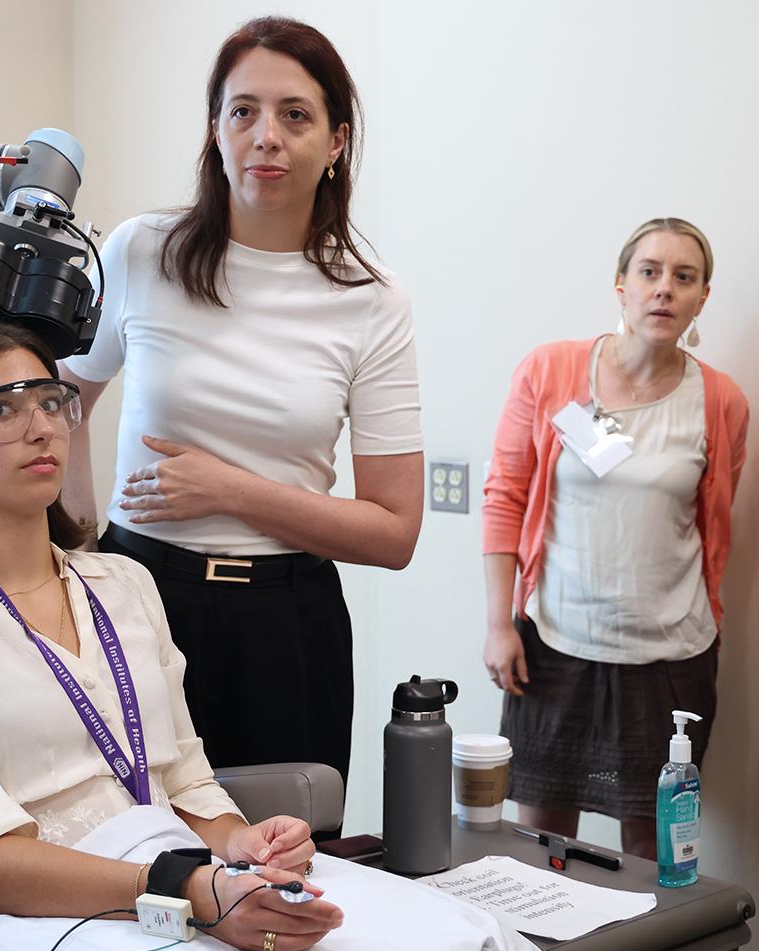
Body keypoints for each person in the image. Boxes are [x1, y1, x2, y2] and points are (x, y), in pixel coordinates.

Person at [0, 321, 343, 951]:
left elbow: (183, 780)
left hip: (177, 890)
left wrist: (240, 843)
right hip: (31, 933)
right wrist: (188, 889)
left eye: (51, 401)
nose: (41, 426)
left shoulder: (124, 583)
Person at [60, 17, 424, 794]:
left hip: (288, 627)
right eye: (244, 111)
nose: (267, 136)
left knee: (285, 868)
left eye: (296, 114)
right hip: (137, 601)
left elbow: (395, 531)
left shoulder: (373, 300)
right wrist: (80, 557)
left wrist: (231, 491)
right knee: (132, 854)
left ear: (335, 143)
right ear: (215, 131)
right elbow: (63, 404)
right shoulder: (140, 252)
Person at [482, 218, 749, 859]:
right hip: (554, 644)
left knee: (654, 855)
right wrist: (499, 625)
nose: (664, 290)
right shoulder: (551, 372)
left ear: (702, 297)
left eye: (684, 277)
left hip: (669, 658)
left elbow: (710, 525)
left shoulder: (721, 401)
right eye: (650, 272)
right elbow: (505, 498)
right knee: (541, 850)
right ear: (621, 284)